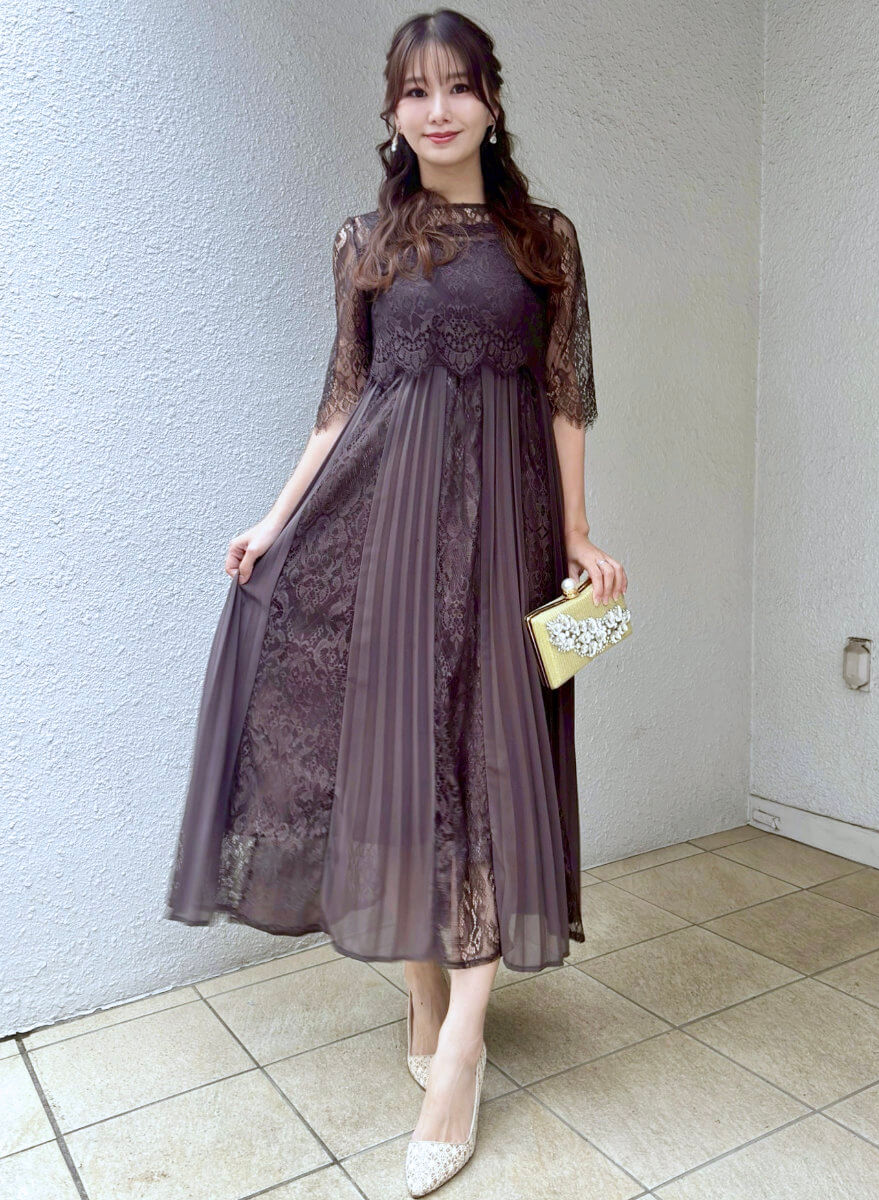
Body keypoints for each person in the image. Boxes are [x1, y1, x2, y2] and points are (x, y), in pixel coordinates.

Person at [165, 8, 627, 1195]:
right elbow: (342, 400)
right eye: (414, 92)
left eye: (457, 87)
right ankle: (428, 998)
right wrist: (275, 521)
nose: (437, 110)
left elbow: (566, 395)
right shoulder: (364, 242)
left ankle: (459, 1053)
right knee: (405, 764)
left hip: (510, 538)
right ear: (392, 111)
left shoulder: (545, 240)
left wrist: (578, 532)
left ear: (491, 101)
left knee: (495, 767)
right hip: (389, 534)